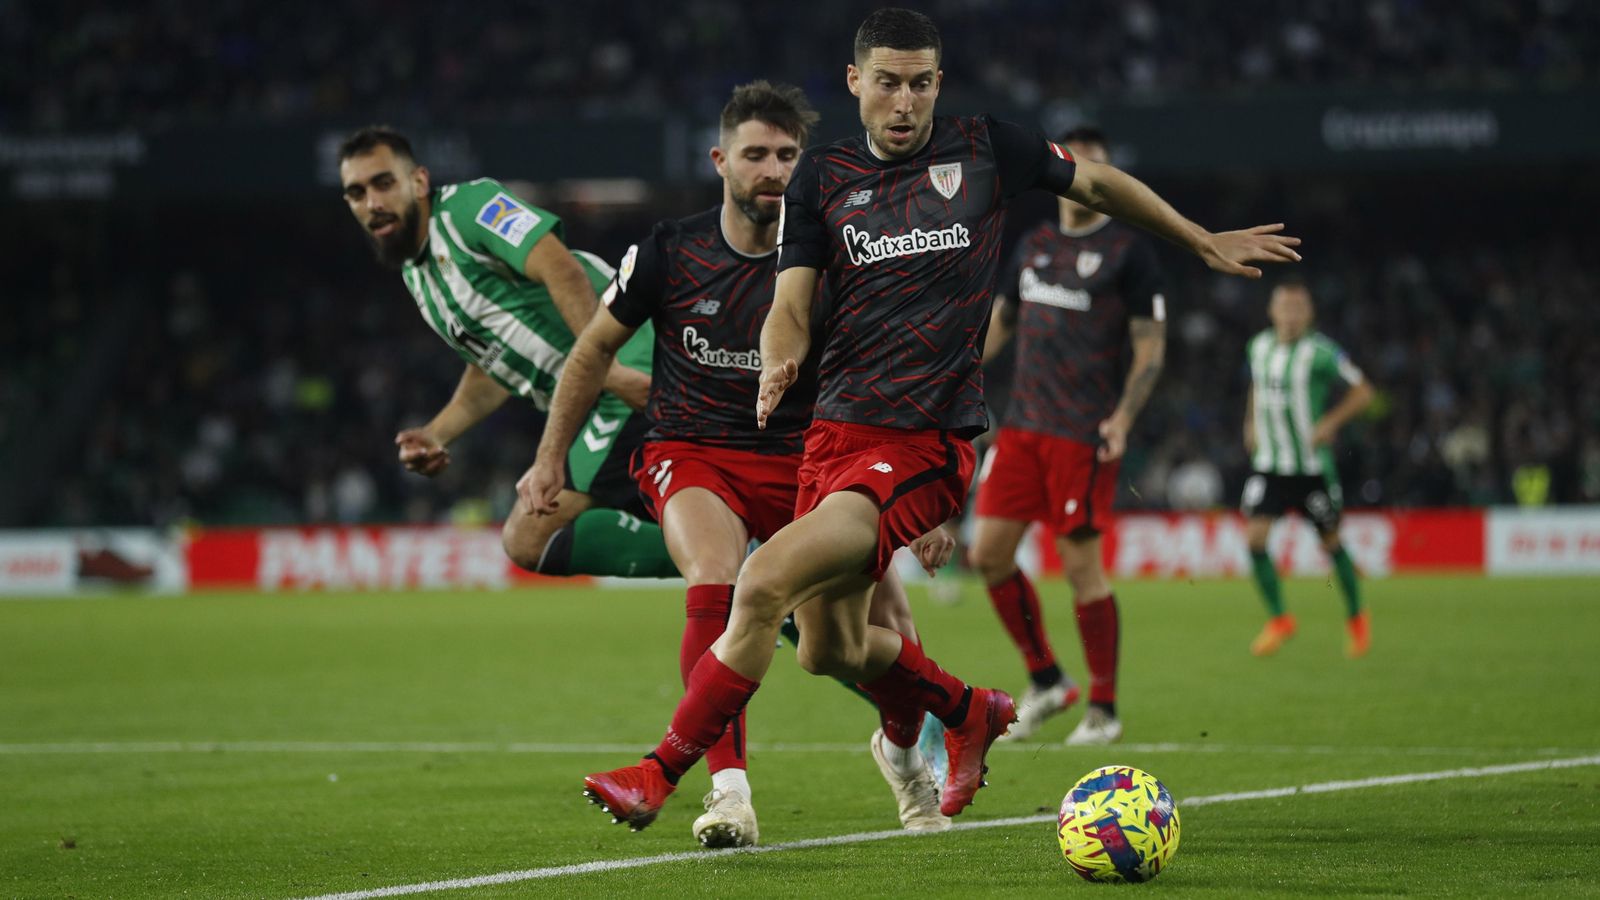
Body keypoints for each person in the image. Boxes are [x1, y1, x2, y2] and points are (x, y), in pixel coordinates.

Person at [571, 7, 1300, 834]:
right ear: (855, 83)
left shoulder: (987, 148)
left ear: (938, 84)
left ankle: (660, 774)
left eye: (920, 84)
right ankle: (968, 711)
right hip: (834, 438)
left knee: (762, 579)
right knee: (828, 651)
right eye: (887, 83)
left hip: (926, 442)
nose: (904, 102)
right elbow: (789, 306)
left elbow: (1096, 184)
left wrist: (1200, 238)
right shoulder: (820, 179)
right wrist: (780, 355)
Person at [524, 82, 956, 844]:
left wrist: (921, 499)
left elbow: (900, 367)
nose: (774, 170)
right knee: (714, 582)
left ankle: (906, 757)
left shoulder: (838, 262)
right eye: (756, 154)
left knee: (869, 640)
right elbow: (593, 346)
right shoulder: (669, 249)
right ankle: (729, 796)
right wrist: (548, 456)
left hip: (814, 461)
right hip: (695, 451)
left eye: (788, 155)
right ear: (721, 160)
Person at [336, 128, 676, 579]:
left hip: (629, 360)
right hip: (595, 396)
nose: (372, 203)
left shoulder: (466, 209)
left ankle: (740, 565)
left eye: (383, 183)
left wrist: (605, 366)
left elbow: (561, 268)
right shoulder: (417, 277)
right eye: (357, 193)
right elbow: (494, 366)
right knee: (673, 513)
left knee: (532, 535)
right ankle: (766, 579)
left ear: (418, 182)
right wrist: (438, 433)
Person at [970, 125, 1168, 747]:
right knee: (989, 555)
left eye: (1101, 166)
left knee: (1082, 569)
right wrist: (955, 379)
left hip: (1081, 433)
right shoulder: (1033, 244)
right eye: (1080, 163)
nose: (1089, 176)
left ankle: (1104, 708)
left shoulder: (1129, 252)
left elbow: (1150, 349)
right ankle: (1048, 679)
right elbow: (999, 323)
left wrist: (1124, 418)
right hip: (1022, 429)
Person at [1242, 281, 1374, 657]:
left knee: (1331, 542)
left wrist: (1332, 422)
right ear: (1272, 311)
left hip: (1311, 469)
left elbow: (1364, 391)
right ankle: (1280, 619)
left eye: (1298, 308)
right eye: (1284, 307)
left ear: (1309, 314)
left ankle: (1356, 618)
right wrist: (1250, 422)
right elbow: (1257, 385)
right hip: (1269, 465)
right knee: (1254, 539)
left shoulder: (1322, 353)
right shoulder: (1259, 346)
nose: (1291, 314)